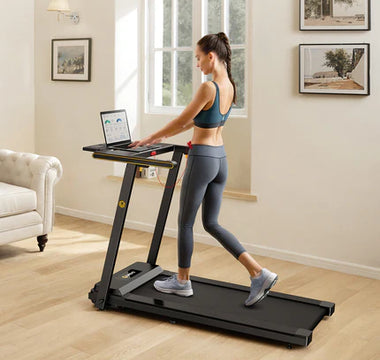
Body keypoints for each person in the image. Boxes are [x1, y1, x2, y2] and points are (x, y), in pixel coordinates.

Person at [128, 32, 278, 306]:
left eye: (198, 58)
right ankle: (258, 272)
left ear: (211, 56)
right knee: (211, 223)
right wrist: (161, 136)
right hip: (220, 159)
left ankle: (182, 282)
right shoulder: (229, 85)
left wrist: (150, 138)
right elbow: (191, 123)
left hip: (202, 158)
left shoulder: (209, 87)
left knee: (185, 222)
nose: (197, 64)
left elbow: (182, 120)